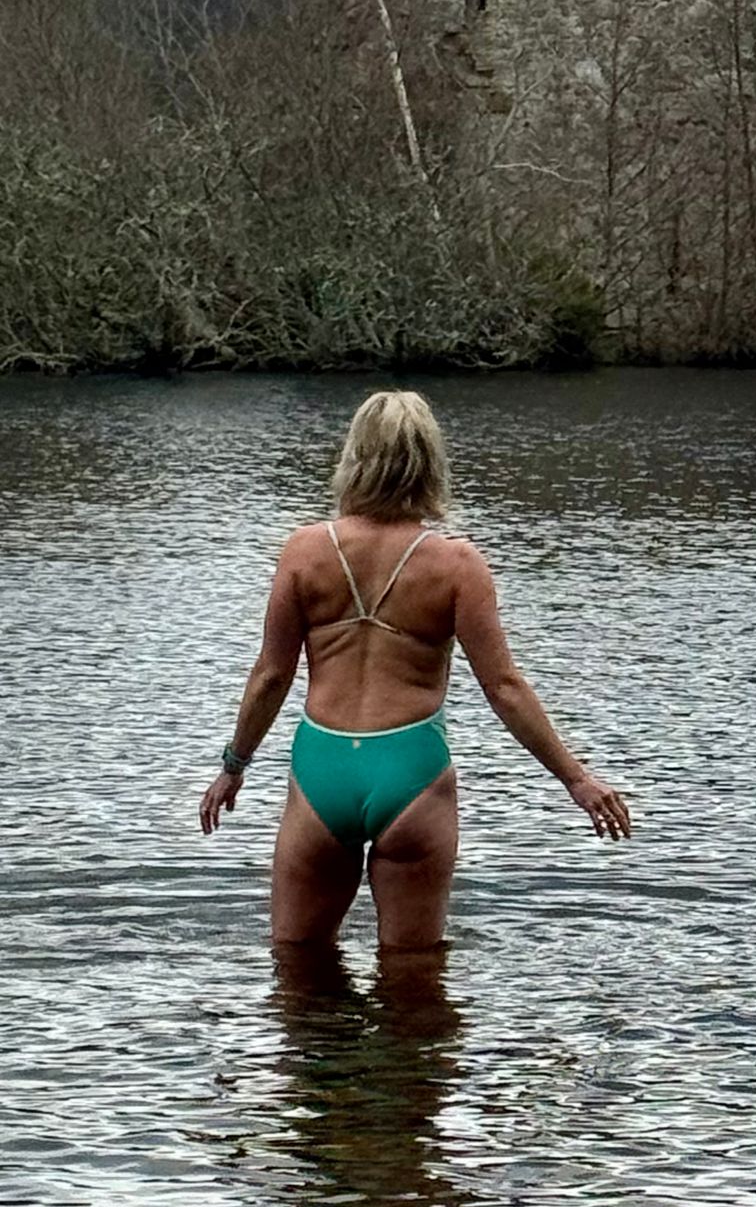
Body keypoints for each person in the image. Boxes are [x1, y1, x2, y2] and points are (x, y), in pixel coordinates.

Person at [200, 390, 631, 947]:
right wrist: (577, 778)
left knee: (296, 968)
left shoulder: (304, 552)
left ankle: (315, 1033)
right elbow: (504, 687)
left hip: (321, 768)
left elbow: (271, 675)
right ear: (429, 465)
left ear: (353, 459)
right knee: (413, 979)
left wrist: (234, 766)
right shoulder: (457, 565)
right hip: (412, 772)